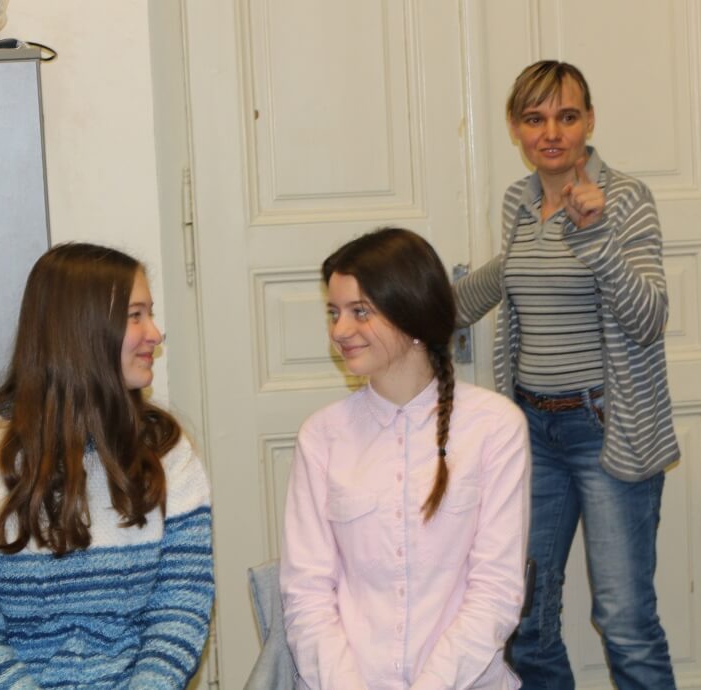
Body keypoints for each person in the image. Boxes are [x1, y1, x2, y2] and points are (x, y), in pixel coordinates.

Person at [454, 60, 679, 690]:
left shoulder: (625, 198)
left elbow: (649, 320)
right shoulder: (519, 202)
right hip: (531, 435)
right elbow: (504, 277)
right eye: (535, 118)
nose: (551, 132)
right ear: (515, 128)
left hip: (607, 430)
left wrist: (597, 236)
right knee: (524, 618)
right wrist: (409, 307)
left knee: (625, 623)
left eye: (567, 116)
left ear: (590, 122)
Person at [0, 243, 214, 689]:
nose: (155, 333)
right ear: (81, 331)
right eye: (135, 316)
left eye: (150, 314)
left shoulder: (166, 450)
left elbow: (182, 605)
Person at [280, 227, 530, 689]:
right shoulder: (322, 436)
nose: (339, 331)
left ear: (413, 315)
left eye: (360, 312)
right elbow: (306, 594)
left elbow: (495, 591)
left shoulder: (495, 427)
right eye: (334, 312)